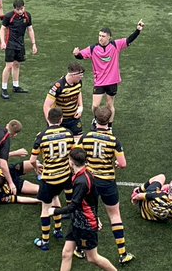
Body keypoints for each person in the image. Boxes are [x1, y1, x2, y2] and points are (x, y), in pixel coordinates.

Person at [77, 106, 132, 264]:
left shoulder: (85, 137)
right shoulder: (114, 140)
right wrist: (113, 163)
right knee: (115, 215)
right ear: (109, 121)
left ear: (95, 119)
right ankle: (122, 253)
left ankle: (79, 249)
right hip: (107, 181)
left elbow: (77, 156)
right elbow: (122, 164)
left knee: (86, 214)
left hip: (89, 181)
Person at [54, 148, 120, 271]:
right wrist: (96, 216)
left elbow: (73, 206)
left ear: (71, 162)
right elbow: (93, 199)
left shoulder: (82, 181)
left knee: (92, 258)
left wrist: (53, 211)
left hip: (85, 224)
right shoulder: (84, 174)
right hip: (77, 221)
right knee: (66, 253)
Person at [73, 20, 144, 126]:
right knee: (95, 105)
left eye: (103, 36)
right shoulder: (93, 48)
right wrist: (76, 54)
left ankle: (109, 126)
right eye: (99, 35)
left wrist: (137, 30)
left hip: (112, 81)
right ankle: (97, 120)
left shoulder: (116, 45)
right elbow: (80, 55)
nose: (100, 38)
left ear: (109, 37)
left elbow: (129, 40)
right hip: (99, 82)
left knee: (110, 105)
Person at [32, 108, 76, 251]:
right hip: (65, 176)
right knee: (57, 200)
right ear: (61, 119)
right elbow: (73, 155)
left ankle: (45, 241)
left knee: (45, 208)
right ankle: (58, 230)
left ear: (48, 119)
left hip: (49, 178)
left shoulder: (41, 136)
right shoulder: (69, 134)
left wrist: (36, 166)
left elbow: (33, 159)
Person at [0, 0, 38, 100]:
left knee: (17, 64)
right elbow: (2, 29)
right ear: (14, 9)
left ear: (24, 7)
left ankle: (16, 86)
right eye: (18, 9)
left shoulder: (27, 15)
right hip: (10, 43)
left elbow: (30, 29)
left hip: (20, 44)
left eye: (21, 9)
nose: (20, 11)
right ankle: (4, 88)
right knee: (9, 66)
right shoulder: (8, 16)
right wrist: (2, 42)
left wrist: (34, 44)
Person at [45, 63, 86, 138]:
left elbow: (78, 91)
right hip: (60, 120)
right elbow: (46, 106)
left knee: (78, 141)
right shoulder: (59, 86)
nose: (82, 77)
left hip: (74, 119)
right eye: (80, 75)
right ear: (73, 75)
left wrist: (80, 107)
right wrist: (51, 124)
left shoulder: (78, 82)